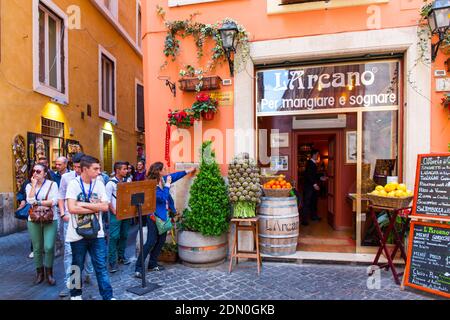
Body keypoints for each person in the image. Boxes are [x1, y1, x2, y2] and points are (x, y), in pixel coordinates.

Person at [134, 162, 196, 278]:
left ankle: (152, 264)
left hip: (163, 217)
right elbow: (162, 198)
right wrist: (167, 185)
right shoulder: (152, 185)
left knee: (161, 241)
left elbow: (175, 176)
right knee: (151, 241)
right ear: (159, 171)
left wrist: (188, 171)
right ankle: (138, 267)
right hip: (153, 217)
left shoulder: (163, 179)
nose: (167, 170)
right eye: (165, 169)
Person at [66, 156, 115, 300]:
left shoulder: (99, 184)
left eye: (99, 168)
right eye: (96, 168)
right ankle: (75, 295)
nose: (99, 171)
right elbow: (72, 209)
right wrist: (95, 208)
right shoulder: (73, 184)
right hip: (77, 233)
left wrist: (83, 204)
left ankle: (108, 296)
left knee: (100, 266)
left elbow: (105, 206)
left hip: (97, 233)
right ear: (85, 169)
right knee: (76, 265)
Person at [57, 153, 94, 298]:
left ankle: (89, 272)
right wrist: (62, 213)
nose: (77, 170)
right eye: (75, 167)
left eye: (80, 167)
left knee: (88, 250)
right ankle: (70, 284)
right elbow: (60, 197)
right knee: (69, 252)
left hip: (88, 220)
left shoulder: (92, 177)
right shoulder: (66, 177)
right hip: (70, 220)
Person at [26, 164, 59, 285]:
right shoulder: (29, 186)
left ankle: (49, 273)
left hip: (50, 218)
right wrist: (34, 186)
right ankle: (40, 273)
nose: (35, 173)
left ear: (45, 173)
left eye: (38, 171)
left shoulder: (52, 184)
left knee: (49, 246)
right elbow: (30, 200)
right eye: (33, 171)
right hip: (33, 219)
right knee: (37, 247)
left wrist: (38, 202)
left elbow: (54, 201)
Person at [105, 162, 131, 273]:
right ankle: (112, 261)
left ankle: (121, 256)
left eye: (127, 169)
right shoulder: (110, 184)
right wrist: (114, 211)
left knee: (124, 235)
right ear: (117, 170)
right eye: (124, 169)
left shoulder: (127, 181)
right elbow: (107, 200)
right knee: (114, 236)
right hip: (116, 213)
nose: (126, 171)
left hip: (126, 213)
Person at [50, 157, 70, 257]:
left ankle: (68, 248)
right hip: (56, 207)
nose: (57, 166)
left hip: (67, 207)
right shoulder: (53, 176)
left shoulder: (71, 176)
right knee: (56, 229)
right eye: (56, 164)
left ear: (65, 165)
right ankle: (58, 246)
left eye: (59, 164)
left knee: (67, 230)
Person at [301, 149, 325, 226]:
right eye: (317, 154)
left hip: (312, 186)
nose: (318, 156)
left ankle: (314, 216)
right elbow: (308, 175)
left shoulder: (313, 163)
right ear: (314, 155)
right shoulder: (310, 163)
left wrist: (320, 178)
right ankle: (304, 220)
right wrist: (315, 184)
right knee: (307, 202)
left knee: (313, 202)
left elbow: (313, 175)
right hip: (308, 187)